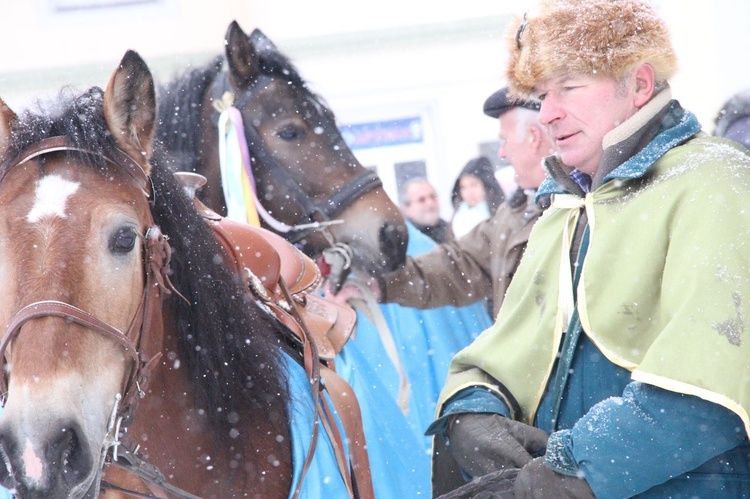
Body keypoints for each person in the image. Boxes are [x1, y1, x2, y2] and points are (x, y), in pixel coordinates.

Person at [428, 0, 750, 497]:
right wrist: (474, 414)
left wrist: (568, 478)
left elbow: (707, 391)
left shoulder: (715, 181)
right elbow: (502, 354)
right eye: (541, 94)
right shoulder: (566, 206)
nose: (549, 114)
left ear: (641, 83)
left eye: (569, 87)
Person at [377, 87, 550, 319]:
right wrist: (383, 284)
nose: (501, 153)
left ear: (533, 137)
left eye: (504, 141)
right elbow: (462, 265)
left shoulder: (577, 204)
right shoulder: (514, 213)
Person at [450, 156, 505, 238]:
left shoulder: (501, 214)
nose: (469, 192)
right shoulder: (458, 218)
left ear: (486, 185)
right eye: (463, 187)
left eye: (474, 185)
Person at [398, 177, 454, 243]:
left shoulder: (453, 230)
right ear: (407, 209)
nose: (430, 203)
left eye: (433, 197)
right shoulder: (403, 239)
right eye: (422, 200)